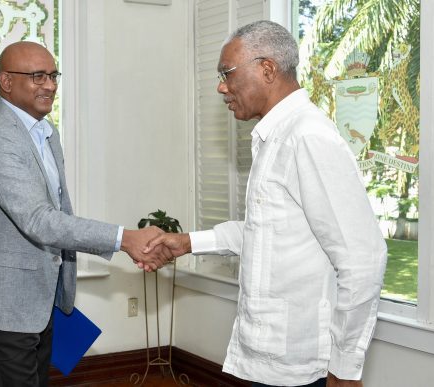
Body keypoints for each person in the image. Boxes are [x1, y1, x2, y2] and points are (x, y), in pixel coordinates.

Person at [145, 20, 387, 387]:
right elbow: (267, 232)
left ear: (268, 69)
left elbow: (363, 257)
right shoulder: (274, 137)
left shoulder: (307, 137)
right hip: (269, 361)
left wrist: (344, 368)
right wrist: (189, 242)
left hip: (304, 367)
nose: (220, 86)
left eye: (227, 74)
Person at [0, 41, 171, 387]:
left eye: (54, 75)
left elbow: (58, 207)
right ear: (6, 82)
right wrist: (125, 238)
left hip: (40, 297)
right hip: (4, 304)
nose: (51, 85)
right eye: (38, 76)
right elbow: (39, 220)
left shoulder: (45, 131)